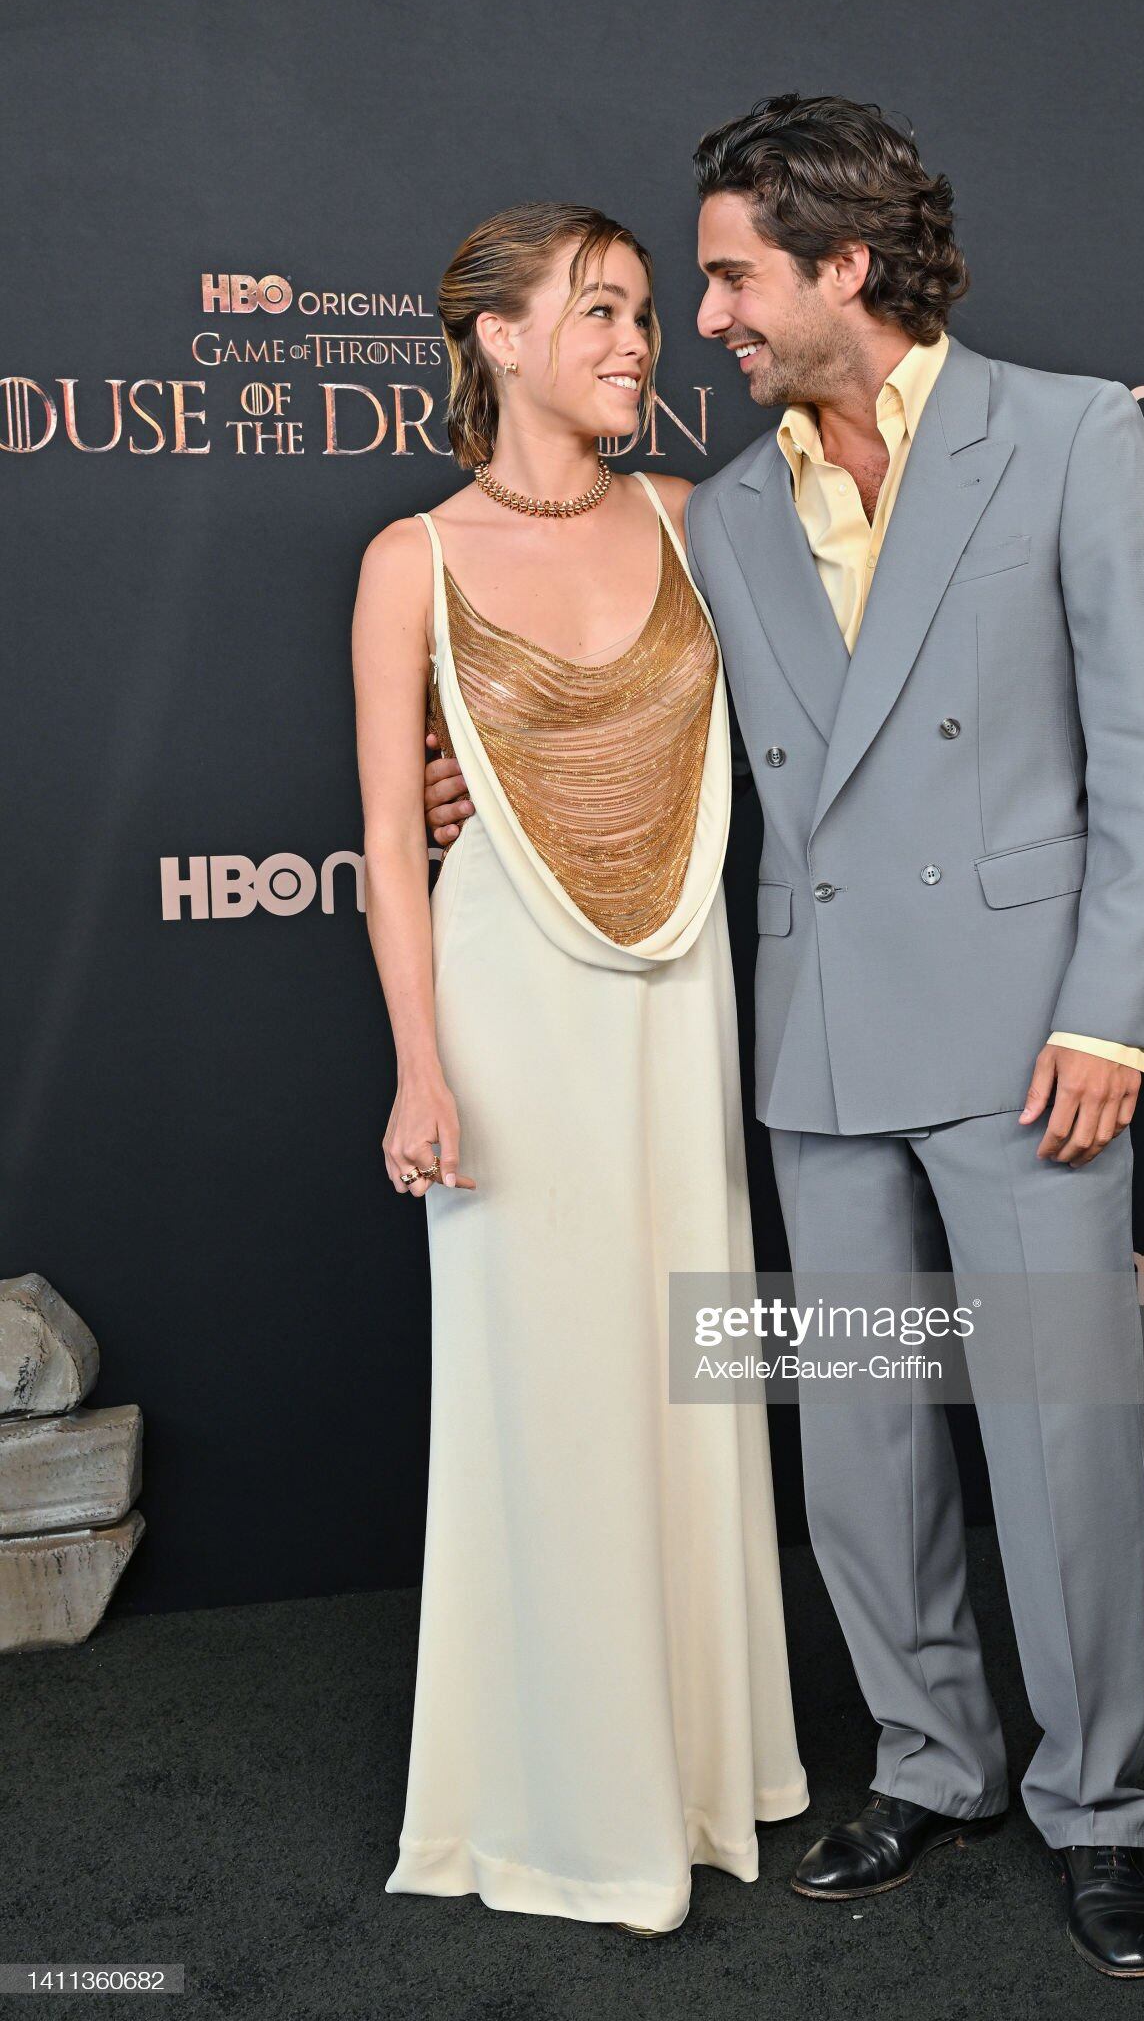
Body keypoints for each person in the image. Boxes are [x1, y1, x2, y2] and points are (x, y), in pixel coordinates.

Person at [427, 99, 1144, 1979]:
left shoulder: (1070, 435)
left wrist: (1115, 1012)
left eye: (732, 278)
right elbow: (616, 677)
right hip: (829, 1038)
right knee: (860, 1442)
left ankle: (1091, 1804)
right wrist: (497, 782)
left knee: (1056, 1441)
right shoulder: (728, 510)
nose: (704, 320)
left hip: (1035, 1043)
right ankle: (928, 1760)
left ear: (845, 268)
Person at [353, 201, 808, 1937]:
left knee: (683, 1377)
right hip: (504, 1014)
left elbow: (822, 714)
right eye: (603, 310)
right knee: (541, 1399)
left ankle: (699, 1776)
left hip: (674, 995)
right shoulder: (415, 559)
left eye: (645, 312)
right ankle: (555, 1810)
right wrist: (417, 1069)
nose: (644, 340)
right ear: (500, 336)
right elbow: (396, 843)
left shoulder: (698, 520)